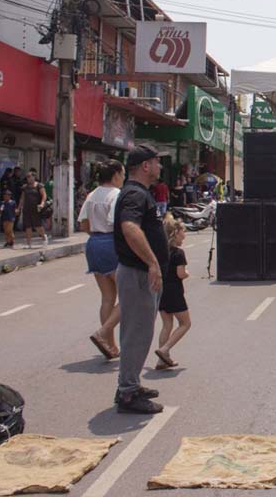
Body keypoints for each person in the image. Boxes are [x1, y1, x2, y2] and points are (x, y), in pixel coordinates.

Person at [112, 144, 168, 414]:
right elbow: (130, 227)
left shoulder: (140, 193)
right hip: (137, 273)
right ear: (145, 166)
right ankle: (128, 394)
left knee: (139, 332)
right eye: (157, 162)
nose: (160, 166)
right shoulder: (134, 194)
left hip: (139, 273)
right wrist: (152, 262)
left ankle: (130, 383)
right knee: (137, 333)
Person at [80, 160, 125, 360]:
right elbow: (116, 225)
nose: (123, 178)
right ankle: (104, 333)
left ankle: (110, 345)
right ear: (115, 175)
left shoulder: (91, 195)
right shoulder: (116, 195)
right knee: (129, 295)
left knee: (107, 297)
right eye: (122, 174)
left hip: (93, 243)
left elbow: (84, 224)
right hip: (110, 243)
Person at [155, 216, 191, 369]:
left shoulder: (160, 251)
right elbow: (181, 274)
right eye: (182, 232)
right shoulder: (178, 253)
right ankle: (165, 349)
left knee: (166, 324)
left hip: (161, 290)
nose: (184, 236)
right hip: (174, 292)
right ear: (175, 233)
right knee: (185, 323)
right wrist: (188, 273)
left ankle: (162, 360)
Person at [16, 171, 47, 249]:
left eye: (30, 177)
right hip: (27, 208)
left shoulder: (39, 186)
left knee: (38, 226)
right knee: (28, 226)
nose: (29, 179)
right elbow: (22, 198)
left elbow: (44, 195)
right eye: (27, 177)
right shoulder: (25, 187)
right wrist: (19, 208)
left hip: (36, 208)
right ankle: (29, 243)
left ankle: (44, 238)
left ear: (34, 177)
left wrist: (42, 203)